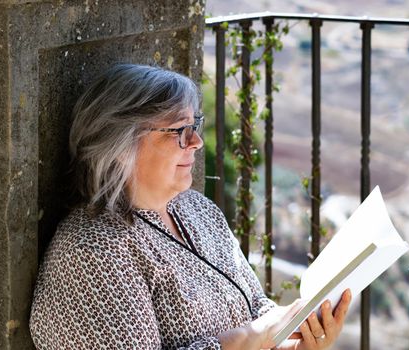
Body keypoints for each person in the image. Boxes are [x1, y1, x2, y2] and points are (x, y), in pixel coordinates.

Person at [29, 63, 352, 350]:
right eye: (179, 131)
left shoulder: (197, 209)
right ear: (120, 143)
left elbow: (254, 304)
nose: (196, 141)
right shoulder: (93, 250)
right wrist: (247, 338)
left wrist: (294, 335)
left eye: (194, 126)